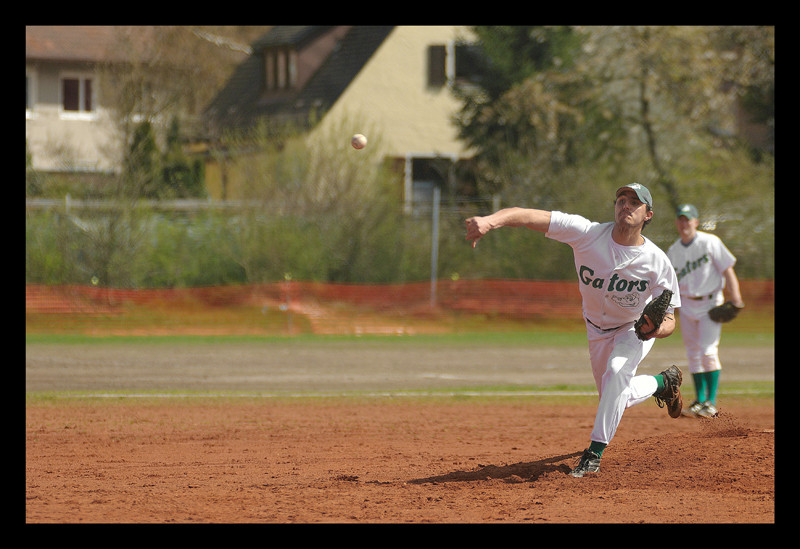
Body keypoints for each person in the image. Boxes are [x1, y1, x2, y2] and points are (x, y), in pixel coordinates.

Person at [465, 183, 682, 478]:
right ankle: (662, 383)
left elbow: (670, 318)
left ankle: (593, 454)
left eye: (635, 202)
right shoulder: (587, 234)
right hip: (595, 329)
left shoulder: (657, 262)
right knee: (614, 394)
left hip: (632, 331)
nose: (626, 205)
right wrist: (490, 221)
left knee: (618, 371)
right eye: (622, 199)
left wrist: (656, 329)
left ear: (648, 214)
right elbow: (528, 215)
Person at [667, 204, 744, 419]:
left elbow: (727, 269)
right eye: (681, 219)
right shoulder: (673, 251)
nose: (684, 223)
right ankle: (699, 401)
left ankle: (711, 402)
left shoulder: (710, 242)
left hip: (710, 303)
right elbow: (669, 283)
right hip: (687, 304)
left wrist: (736, 298)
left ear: (696, 222)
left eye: (688, 219)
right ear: (677, 223)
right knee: (693, 352)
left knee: (708, 350)